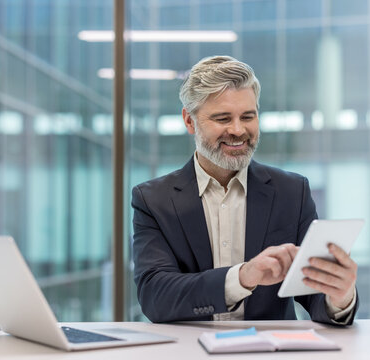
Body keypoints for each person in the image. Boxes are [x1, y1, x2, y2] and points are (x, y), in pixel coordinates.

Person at [131, 55, 358, 324]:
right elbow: (155, 296)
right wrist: (242, 277)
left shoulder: (292, 192)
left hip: (269, 351)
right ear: (189, 121)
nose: (238, 130)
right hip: (190, 348)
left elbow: (312, 293)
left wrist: (339, 296)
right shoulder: (154, 200)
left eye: (248, 116)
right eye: (223, 118)